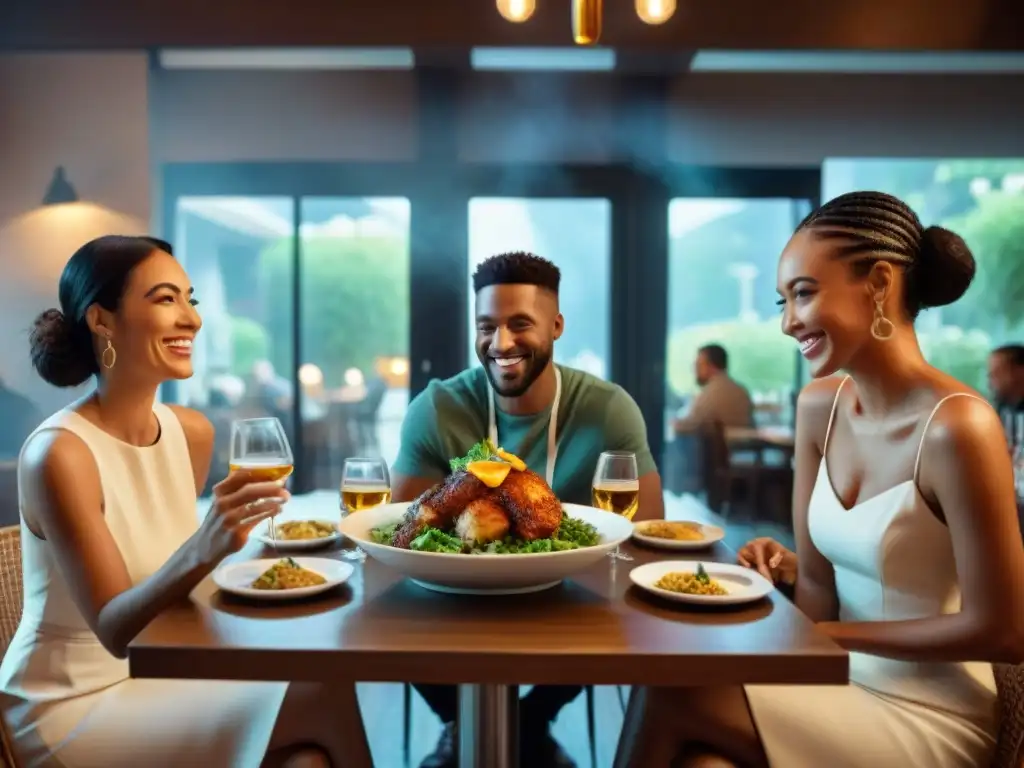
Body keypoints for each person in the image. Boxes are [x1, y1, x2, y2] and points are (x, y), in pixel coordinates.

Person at [614, 191, 1024, 768]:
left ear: (880, 283)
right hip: (828, 679)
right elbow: (817, 599)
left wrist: (829, 639)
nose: (787, 323)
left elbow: (1003, 631)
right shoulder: (818, 407)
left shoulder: (959, 426)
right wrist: (787, 569)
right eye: (783, 300)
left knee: (678, 686)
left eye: (803, 294)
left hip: (931, 710)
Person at [0, 236, 372, 768]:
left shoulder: (191, 433)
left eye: (189, 300)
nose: (191, 320)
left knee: (308, 755)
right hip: (73, 704)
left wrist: (235, 554)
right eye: (164, 298)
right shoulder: (60, 455)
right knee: (319, 691)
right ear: (102, 319)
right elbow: (114, 629)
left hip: (160, 674)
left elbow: (173, 588)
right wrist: (206, 545)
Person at [392, 251, 664, 768]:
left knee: (621, 612)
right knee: (395, 607)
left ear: (557, 325)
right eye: (487, 326)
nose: (501, 343)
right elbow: (401, 540)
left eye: (521, 324)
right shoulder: (437, 408)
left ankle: (531, 719)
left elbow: (645, 538)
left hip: (571, 606)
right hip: (454, 603)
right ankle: (463, 720)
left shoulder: (608, 409)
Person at [672, 344, 754, 434]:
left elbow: (689, 424)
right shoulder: (742, 392)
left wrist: (674, 423)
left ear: (711, 366)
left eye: (699, 365)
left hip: (716, 447)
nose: (695, 370)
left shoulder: (708, 394)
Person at [988, 344, 1024, 426]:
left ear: (1021, 372)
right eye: (991, 374)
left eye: (997, 373)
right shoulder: (1001, 409)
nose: (991, 381)